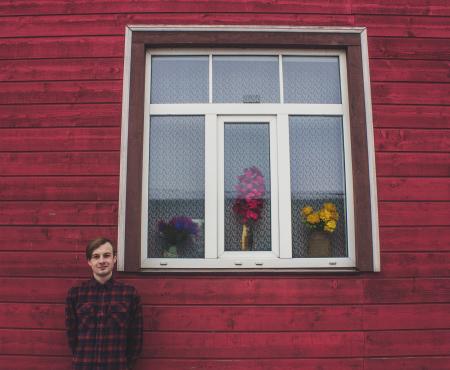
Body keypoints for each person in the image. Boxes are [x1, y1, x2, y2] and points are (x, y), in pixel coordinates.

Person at [65, 237, 143, 370]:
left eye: (106, 255)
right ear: (89, 261)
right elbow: (72, 336)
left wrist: (126, 365)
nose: (101, 261)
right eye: (96, 256)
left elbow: (136, 337)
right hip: (83, 365)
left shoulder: (129, 294)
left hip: (117, 365)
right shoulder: (76, 294)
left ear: (114, 259)